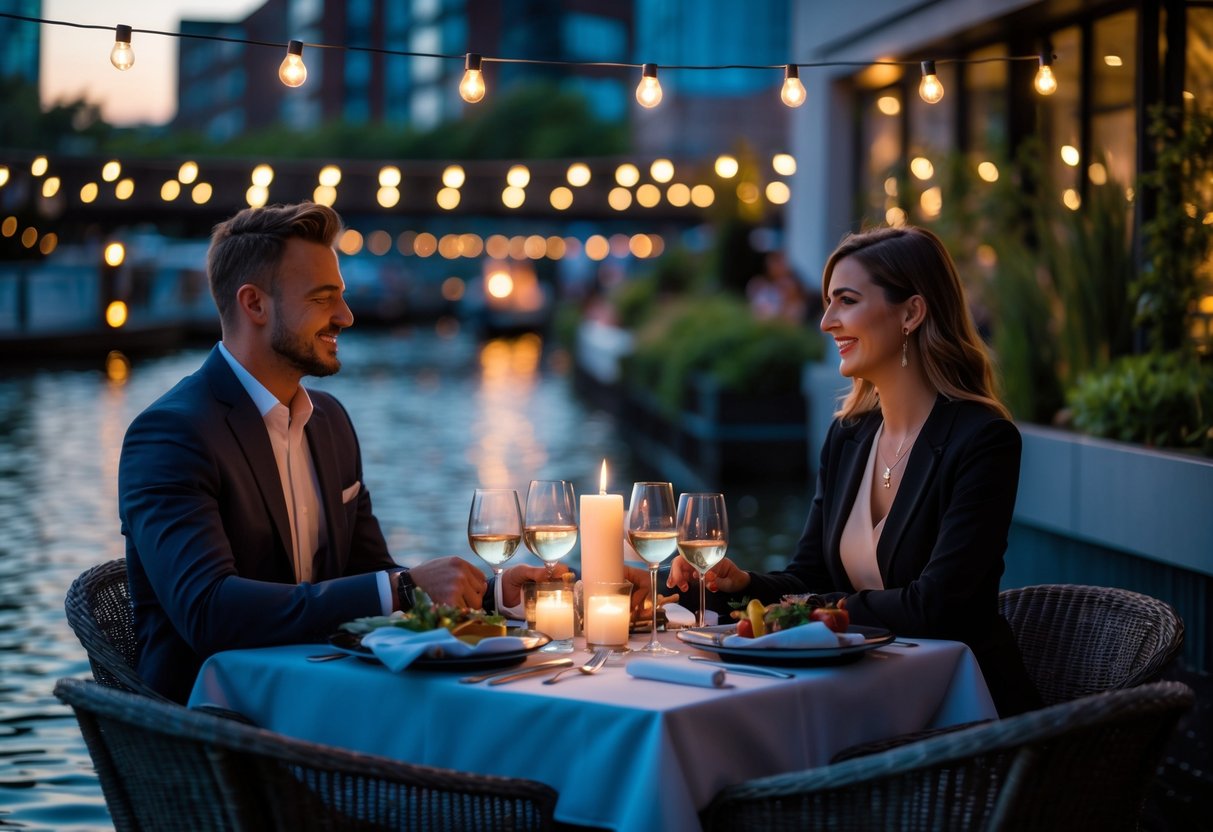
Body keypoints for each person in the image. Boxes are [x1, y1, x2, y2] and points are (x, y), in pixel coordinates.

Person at [119, 202, 555, 703]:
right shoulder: (170, 435)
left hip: (326, 706)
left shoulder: (330, 423)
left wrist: (493, 598)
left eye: (341, 297)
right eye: (324, 298)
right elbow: (209, 611)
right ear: (254, 305)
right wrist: (404, 588)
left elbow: (370, 576)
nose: (345, 316)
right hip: (212, 733)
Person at [668, 225, 1042, 717]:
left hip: (961, 713)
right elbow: (807, 575)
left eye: (846, 301)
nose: (826, 322)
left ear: (911, 312)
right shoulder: (849, 437)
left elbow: (940, 606)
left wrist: (808, 607)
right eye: (827, 302)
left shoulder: (983, 439)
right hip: (860, 696)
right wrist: (742, 587)